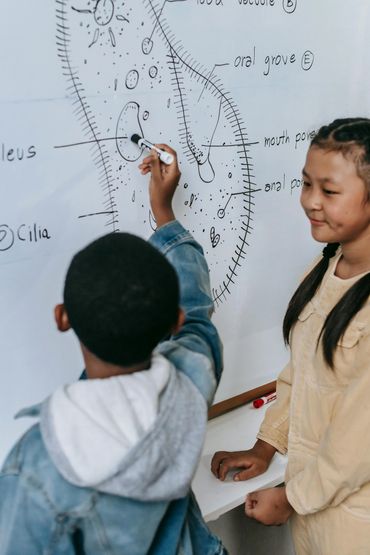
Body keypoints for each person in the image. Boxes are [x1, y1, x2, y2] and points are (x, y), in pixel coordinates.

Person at [0, 145, 227, 555]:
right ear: (172, 323)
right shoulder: (193, 375)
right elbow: (196, 310)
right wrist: (164, 213)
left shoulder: (37, 463)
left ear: (62, 318)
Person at [211, 118, 370, 555]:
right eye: (305, 184)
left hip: (355, 522)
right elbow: (301, 373)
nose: (311, 202)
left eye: (330, 191)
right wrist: (267, 445)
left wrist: (290, 499)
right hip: (314, 510)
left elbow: (358, 443)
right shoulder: (323, 271)